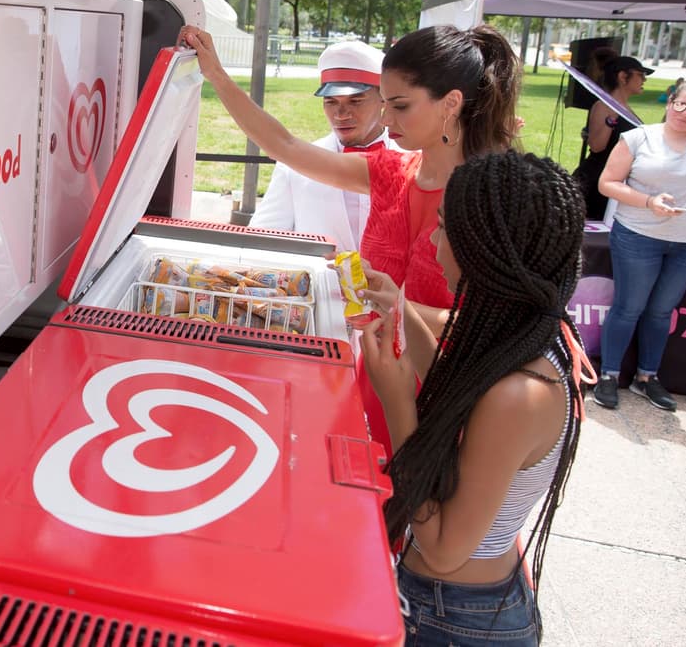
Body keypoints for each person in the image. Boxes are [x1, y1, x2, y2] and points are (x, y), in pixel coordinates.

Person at [179, 23, 521, 455]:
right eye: (386, 104)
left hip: (449, 389)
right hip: (375, 376)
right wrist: (216, 74)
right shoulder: (390, 172)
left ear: (451, 103)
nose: (386, 119)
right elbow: (285, 145)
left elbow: (503, 322)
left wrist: (396, 307)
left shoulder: (494, 195)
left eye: (399, 105)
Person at [359, 151, 589, 646]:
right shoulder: (529, 332)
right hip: (453, 602)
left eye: (444, 230)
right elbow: (456, 380)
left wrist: (398, 404)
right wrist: (398, 306)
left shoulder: (520, 395)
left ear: (488, 254)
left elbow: (443, 550)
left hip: (454, 616)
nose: (432, 242)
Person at [592, 78, 686, 412]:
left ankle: (647, 376)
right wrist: (649, 202)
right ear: (670, 101)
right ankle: (609, 375)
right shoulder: (639, 137)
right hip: (637, 235)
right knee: (628, 308)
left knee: (662, 311)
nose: (685, 113)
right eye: (681, 104)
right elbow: (607, 183)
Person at [250, 40, 402, 251]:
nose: (341, 114)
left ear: (383, 99)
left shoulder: (416, 163)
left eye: (355, 101)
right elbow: (262, 238)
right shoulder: (294, 167)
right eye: (331, 102)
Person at [572, 54, 649, 219]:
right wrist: (611, 119)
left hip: (616, 180)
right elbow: (596, 145)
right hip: (597, 180)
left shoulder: (626, 108)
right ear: (623, 76)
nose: (644, 79)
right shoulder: (603, 106)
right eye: (640, 74)